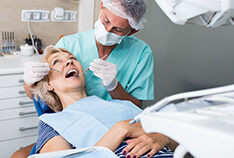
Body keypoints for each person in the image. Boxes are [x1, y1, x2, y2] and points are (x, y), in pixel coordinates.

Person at [27, 47, 176, 158]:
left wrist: (164, 138)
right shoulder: (53, 122)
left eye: (72, 58)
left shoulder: (123, 105)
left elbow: (183, 140)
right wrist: (120, 129)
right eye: (56, 61)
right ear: (48, 85)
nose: (69, 61)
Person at [23, 0, 154, 108]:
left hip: (114, 123)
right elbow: (40, 94)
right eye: (106, 21)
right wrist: (29, 81)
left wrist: (113, 86)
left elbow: (135, 107)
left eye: (118, 29)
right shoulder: (68, 44)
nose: (107, 30)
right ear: (101, 7)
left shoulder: (142, 53)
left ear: (131, 31)